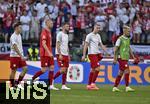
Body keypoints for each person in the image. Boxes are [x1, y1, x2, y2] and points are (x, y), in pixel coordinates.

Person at [32, 19, 58, 90]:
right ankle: (33, 79)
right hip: (45, 54)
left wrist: (50, 52)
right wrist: (49, 52)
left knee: (52, 68)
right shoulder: (44, 32)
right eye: (51, 23)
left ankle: (51, 85)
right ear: (46, 23)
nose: (52, 24)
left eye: (52, 23)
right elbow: (43, 44)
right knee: (44, 70)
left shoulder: (49, 32)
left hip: (49, 53)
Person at [82, 23, 110, 90]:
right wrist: (83, 55)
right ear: (94, 27)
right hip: (92, 54)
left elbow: (101, 45)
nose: (98, 29)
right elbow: (85, 46)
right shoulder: (89, 36)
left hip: (97, 54)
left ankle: (88, 85)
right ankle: (93, 84)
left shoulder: (98, 36)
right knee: (98, 68)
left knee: (93, 69)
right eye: (97, 28)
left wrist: (107, 52)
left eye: (99, 28)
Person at [112, 25, 137, 92]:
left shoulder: (128, 39)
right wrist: (115, 58)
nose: (129, 32)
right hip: (121, 58)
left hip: (125, 58)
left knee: (120, 73)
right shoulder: (120, 39)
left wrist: (133, 57)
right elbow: (116, 49)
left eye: (130, 31)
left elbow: (129, 48)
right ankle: (127, 87)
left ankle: (115, 87)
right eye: (128, 31)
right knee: (127, 70)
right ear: (124, 31)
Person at [9, 22, 28, 90]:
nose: (21, 29)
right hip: (14, 56)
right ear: (16, 28)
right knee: (13, 71)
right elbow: (15, 46)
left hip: (20, 56)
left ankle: (17, 83)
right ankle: (11, 86)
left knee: (25, 68)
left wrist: (22, 55)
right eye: (20, 27)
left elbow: (19, 47)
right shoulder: (13, 36)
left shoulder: (19, 35)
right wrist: (21, 55)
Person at [54, 22, 71, 90]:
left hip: (66, 54)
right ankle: (51, 81)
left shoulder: (66, 35)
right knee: (62, 70)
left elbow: (66, 46)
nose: (68, 28)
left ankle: (63, 85)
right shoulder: (60, 34)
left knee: (66, 70)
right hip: (60, 54)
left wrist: (68, 54)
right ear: (63, 27)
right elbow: (57, 44)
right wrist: (60, 54)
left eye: (68, 26)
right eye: (67, 26)